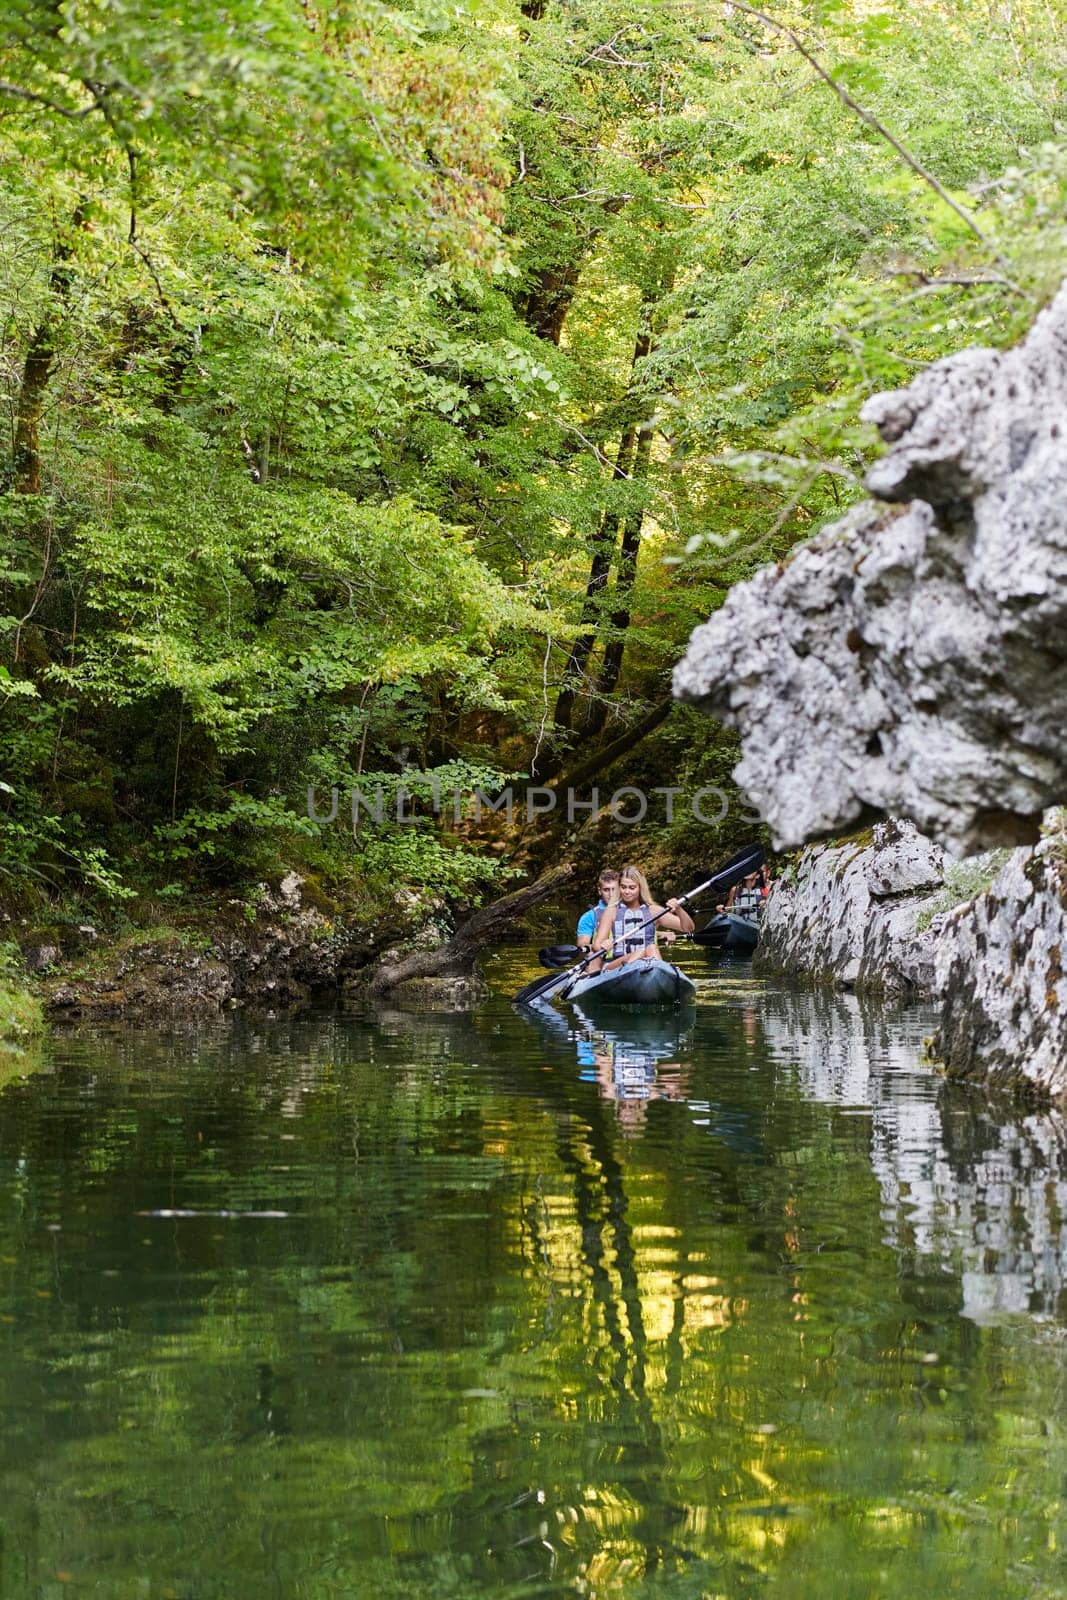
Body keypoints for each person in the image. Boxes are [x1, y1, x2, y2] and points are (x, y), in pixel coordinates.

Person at [592, 864, 694, 969]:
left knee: (652, 948)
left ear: (640, 888)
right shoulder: (612, 911)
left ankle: (658, 974)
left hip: (647, 962)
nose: (627, 892)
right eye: (623, 887)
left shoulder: (653, 911)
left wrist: (678, 909)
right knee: (639, 953)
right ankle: (631, 973)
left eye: (632, 888)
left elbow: (688, 928)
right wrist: (604, 945)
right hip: (617, 964)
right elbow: (596, 946)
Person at [576, 868, 618, 951]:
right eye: (606, 890)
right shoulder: (589, 916)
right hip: (601, 959)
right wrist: (599, 946)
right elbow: (582, 944)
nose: (611, 894)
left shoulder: (630, 910)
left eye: (614, 889)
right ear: (599, 891)